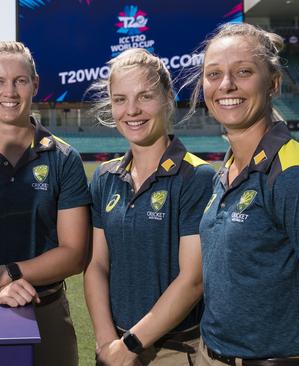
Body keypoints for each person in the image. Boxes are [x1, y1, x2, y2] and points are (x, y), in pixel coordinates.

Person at [0, 41, 90, 366]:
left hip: (46, 315)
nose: (10, 92)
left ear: (35, 84)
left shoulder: (63, 158)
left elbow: (74, 254)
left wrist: (5, 275)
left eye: (20, 81)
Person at [187, 23, 299, 365]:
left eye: (243, 72)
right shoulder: (224, 173)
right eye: (214, 74)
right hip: (210, 355)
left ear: (272, 83)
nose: (226, 85)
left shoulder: (297, 174)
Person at [84, 48, 215, 366]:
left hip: (173, 351)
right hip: (114, 348)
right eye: (120, 99)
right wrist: (106, 343)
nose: (132, 110)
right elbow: (96, 265)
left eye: (145, 97)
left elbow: (192, 280)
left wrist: (129, 346)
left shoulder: (196, 176)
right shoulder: (105, 176)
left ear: (168, 96)